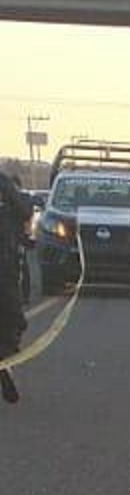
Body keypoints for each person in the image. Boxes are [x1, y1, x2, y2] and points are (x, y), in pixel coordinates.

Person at [0, 172, 32, 403]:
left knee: (15, 320)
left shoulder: (6, 187)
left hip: (5, 267)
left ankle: (5, 361)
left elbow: (25, 209)